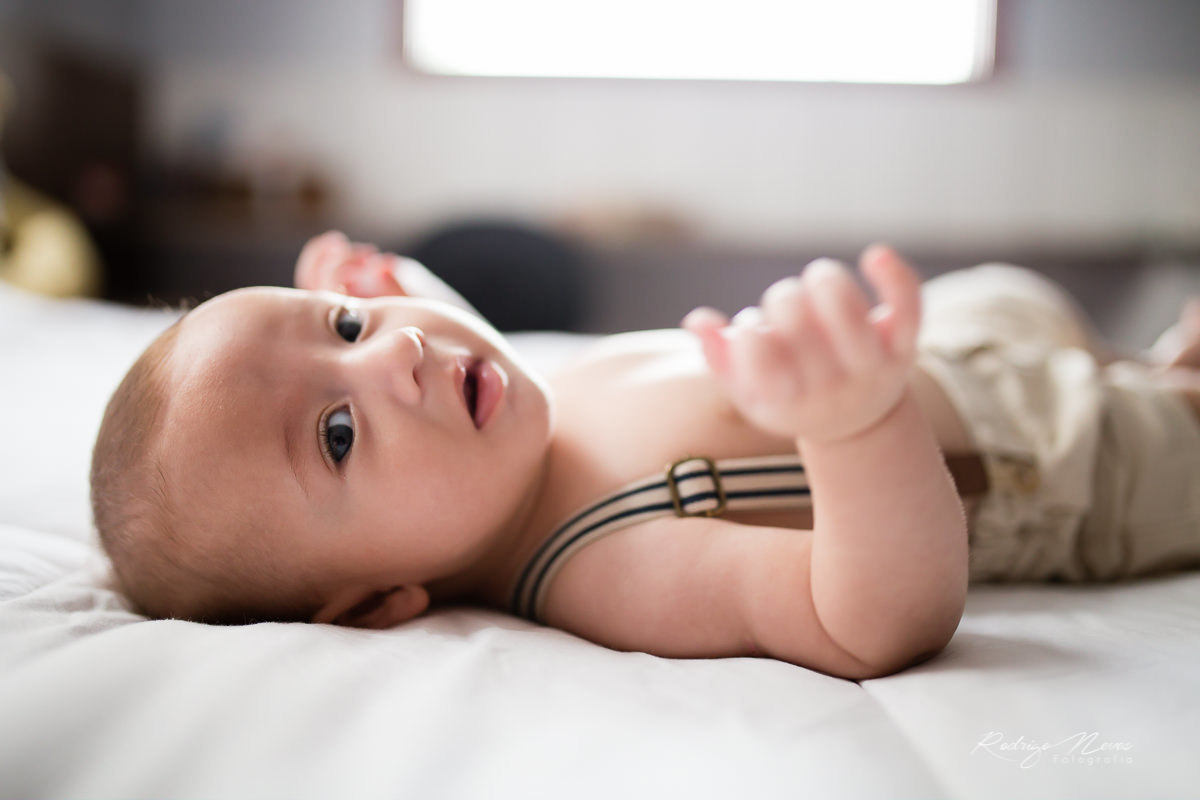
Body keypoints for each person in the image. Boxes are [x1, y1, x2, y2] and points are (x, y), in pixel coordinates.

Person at [90, 231, 1200, 680]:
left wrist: (394, 288)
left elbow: (454, 342)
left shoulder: (488, 425)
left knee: (1032, 309)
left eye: (336, 323)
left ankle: (1147, 362)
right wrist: (856, 423)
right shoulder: (599, 561)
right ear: (374, 601)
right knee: (1167, 431)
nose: (398, 358)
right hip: (1036, 458)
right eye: (335, 434)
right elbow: (866, 620)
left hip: (954, 348)